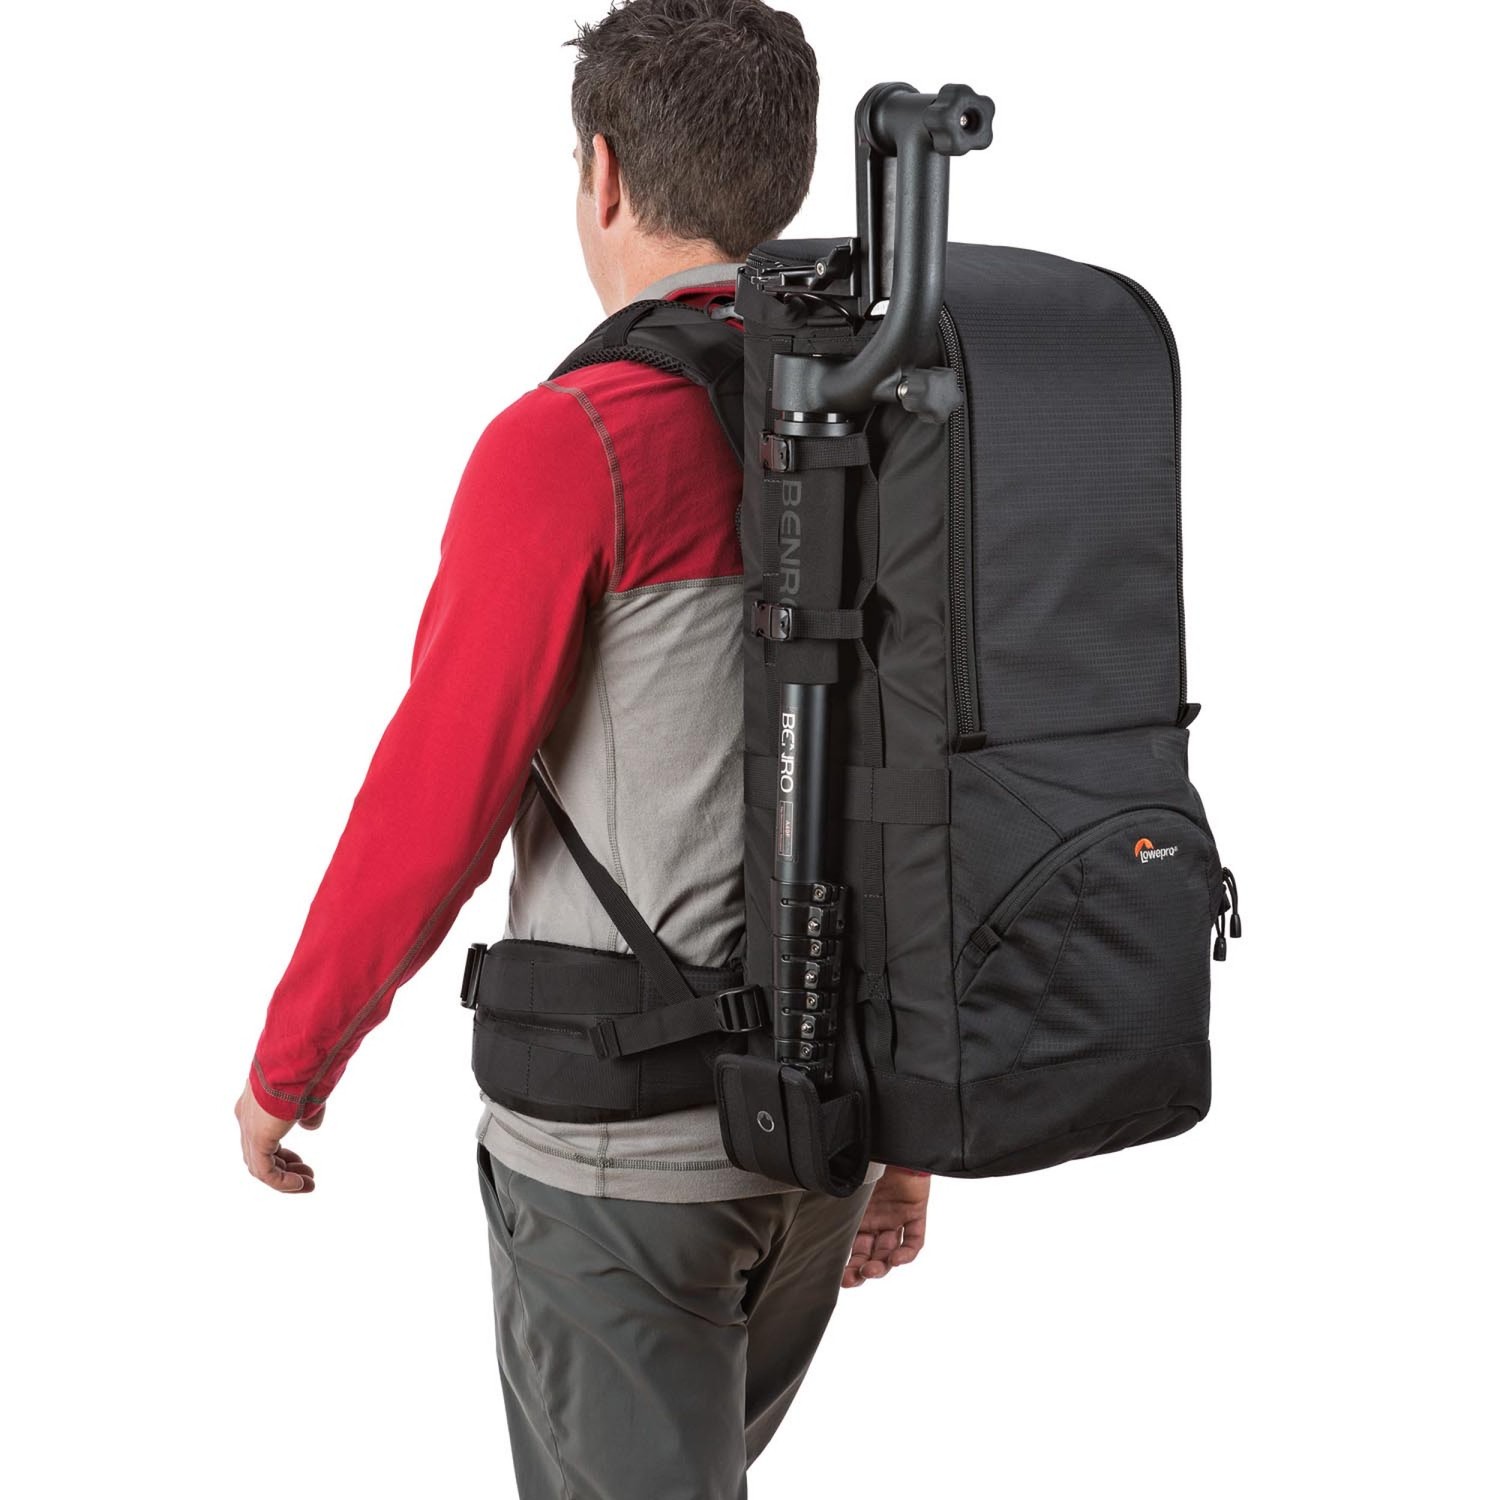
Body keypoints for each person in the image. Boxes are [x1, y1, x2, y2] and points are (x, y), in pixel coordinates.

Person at [234, 2, 931, 1494]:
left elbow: (435, 800)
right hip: (831, 1135)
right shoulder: (894, 422)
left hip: (628, 1162)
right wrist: (911, 1128)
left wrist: (292, 1062)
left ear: (601, 171)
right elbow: (927, 773)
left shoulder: (576, 442)